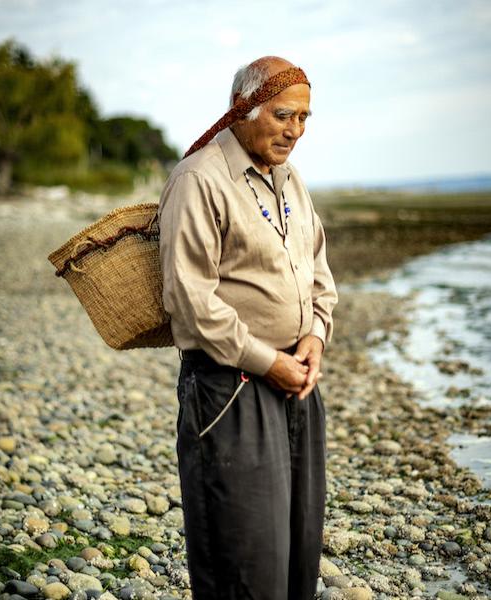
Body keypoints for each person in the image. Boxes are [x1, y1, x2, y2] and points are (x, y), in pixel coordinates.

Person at [158, 56, 338, 600]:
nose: (296, 131)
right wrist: (271, 362)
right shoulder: (199, 179)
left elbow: (319, 270)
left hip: (297, 383)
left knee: (296, 553)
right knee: (244, 559)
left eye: (305, 118)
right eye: (284, 115)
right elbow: (188, 300)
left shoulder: (291, 180)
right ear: (243, 110)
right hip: (230, 388)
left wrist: (315, 336)